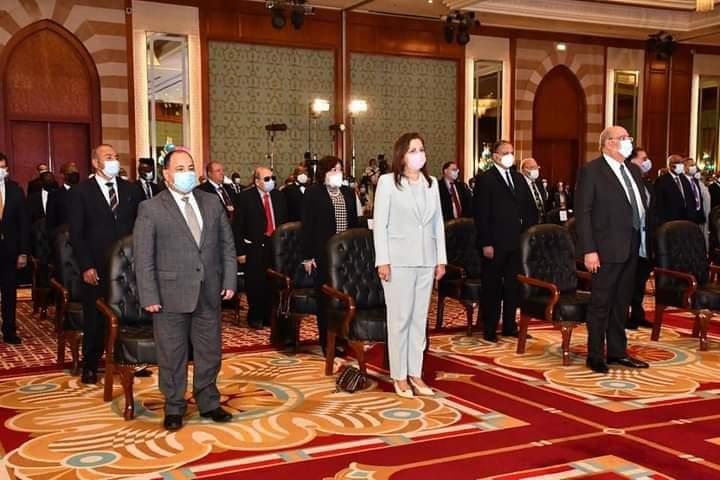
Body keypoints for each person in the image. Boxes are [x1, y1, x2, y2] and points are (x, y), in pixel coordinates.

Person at [134, 149, 237, 432]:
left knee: (209, 352)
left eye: (190, 167)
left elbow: (227, 246)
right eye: (179, 169)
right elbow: (143, 257)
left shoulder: (211, 202)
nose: (186, 173)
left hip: (209, 292)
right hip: (169, 296)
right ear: (166, 174)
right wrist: (149, 295)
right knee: (172, 354)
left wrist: (230, 280)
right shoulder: (151, 208)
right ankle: (174, 406)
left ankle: (209, 401)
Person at [373, 133, 446, 398]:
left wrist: (440, 259)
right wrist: (382, 260)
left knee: (419, 319)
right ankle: (399, 375)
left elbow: (437, 223)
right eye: (413, 150)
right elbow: (380, 224)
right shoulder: (388, 182)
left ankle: (415, 372)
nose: (418, 154)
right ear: (401, 154)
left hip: (426, 260)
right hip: (398, 262)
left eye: (421, 149)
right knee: (400, 319)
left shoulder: (431, 183)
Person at [575, 126, 650, 374]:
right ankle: (595, 354)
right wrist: (589, 249)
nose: (629, 142)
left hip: (632, 245)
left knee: (622, 302)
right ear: (608, 143)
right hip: (605, 248)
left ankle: (617, 351)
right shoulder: (591, 171)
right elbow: (583, 213)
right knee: (601, 302)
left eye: (629, 138)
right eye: (624, 138)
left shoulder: (633, 170)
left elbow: (638, 207)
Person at [69, 144, 142, 384]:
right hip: (96, 266)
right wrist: (86, 266)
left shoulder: (131, 189)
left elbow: (138, 225)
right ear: (95, 162)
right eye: (108, 157)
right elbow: (77, 234)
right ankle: (90, 364)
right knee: (95, 316)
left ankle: (130, 359)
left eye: (116, 157)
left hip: (127, 267)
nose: (114, 160)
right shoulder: (81, 192)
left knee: (128, 314)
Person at [473, 140, 536, 342]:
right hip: (494, 243)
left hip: (516, 242)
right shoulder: (485, 179)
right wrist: (486, 242)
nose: (509, 155)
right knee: (492, 287)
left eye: (511, 152)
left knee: (512, 286)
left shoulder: (518, 178)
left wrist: (527, 236)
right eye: (505, 152)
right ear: (495, 156)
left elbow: (529, 208)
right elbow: (481, 214)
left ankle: (510, 325)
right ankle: (490, 328)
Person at [301, 156, 359, 354]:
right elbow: (307, 226)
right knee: (326, 300)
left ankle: (344, 338)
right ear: (323, 173)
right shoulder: (313, 193)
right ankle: (327, 342)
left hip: (346, 254)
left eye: (339, 169)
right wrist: (307, 256)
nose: (337, 173)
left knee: (345, 298)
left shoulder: (348, 193)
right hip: (323, 253)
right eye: (333, 169)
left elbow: (354, 222)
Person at [233, 167, 288, 329]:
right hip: (254, 246)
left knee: (273, 283)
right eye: (266, 179)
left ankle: (269, 316)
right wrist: (240, 252)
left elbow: (284, 220)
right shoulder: (245, 197)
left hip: (275, 246)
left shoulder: (279, 196)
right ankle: (255, 316)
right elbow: (237, 227)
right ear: (257, 181)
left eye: (272, 178)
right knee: (256, 283)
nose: (271, 182)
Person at [0, 153, 30, 344]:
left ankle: (9, 330)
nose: (1, 170)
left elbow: (23, 224)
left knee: (9, 293)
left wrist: (23, 252)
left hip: (10, 251)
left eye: (3, 167)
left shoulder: (15, 191)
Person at [627, 148, 655, 330]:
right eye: (643, 159)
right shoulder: (626, 182)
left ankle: (637, 315)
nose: (647, 162)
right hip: (629, 240)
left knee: (640, 280)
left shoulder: (647, 183)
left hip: (646, 240)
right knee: (627, 281)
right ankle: (623, 315)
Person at [651, 155, 696, 227]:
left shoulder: (684, 179)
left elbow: (691, 198)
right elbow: (659, 204)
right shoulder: (661, 181)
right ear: (670, 165)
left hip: (687, 220)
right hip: (670, 221)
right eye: (678, 162)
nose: (681, 165)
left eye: (682, 162)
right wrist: (662, 223)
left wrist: (692, 216)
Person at [46, 162, 80, 234]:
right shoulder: (54, 195)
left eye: (76, 173)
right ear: (62, 175)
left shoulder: (86, 192)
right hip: (63, 236)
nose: (74, 175)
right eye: (71, 173)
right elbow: (50, 222)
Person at [520, 157, 546, 224]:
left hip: (542, 223)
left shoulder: (539, 183)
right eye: (532, 167)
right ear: (523, 170)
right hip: (527, 224)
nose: (535, 170)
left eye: (536, 167)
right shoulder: (519, 184)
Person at [684, 157, 706, 226]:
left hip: (697, 215)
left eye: (694, 165)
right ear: (684, 167)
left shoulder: (695, 181)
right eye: (691, 165)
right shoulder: (681, 181)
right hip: (687, 217)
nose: (694, 167)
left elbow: (699, 197)